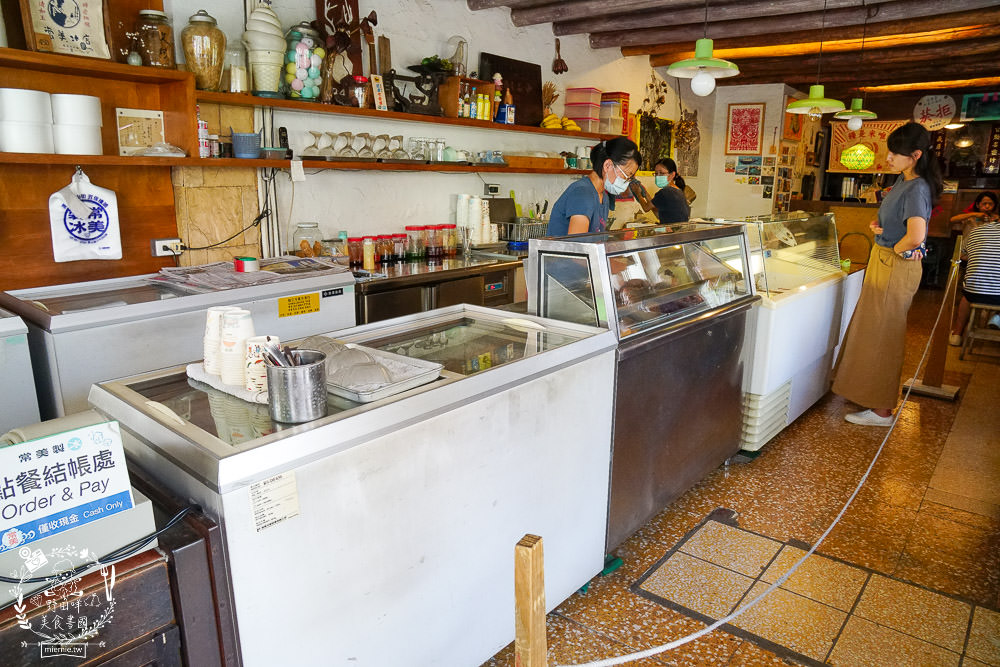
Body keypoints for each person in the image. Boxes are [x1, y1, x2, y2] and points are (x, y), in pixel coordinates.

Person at [831, 121, 942, 426]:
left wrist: (895, 249)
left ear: (916, 155)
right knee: (872, 331)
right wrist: (878, 227)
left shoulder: (917, 186)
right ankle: (867, 393)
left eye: (896, 153)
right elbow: (899, 222)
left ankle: (881, 410)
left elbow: (916, 235)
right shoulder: (903, 181)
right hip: (884, 258)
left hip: (894, 264)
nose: (889, 157)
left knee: (884, 335)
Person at [547, 137, 640, 236]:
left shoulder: (603, 196)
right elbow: (577, 245)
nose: (626, 181)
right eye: (626, 175)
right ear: (607, 165)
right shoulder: (583, 194)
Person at [949, 211, 1000, 343]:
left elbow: (961, 254)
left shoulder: (978, 231)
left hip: (974, 293)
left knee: (967, 296)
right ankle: (997, 317)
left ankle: (957, 334)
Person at [629, 158, 691, 224]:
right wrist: (645, 193)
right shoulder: (678, 191)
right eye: (656, 173)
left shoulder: (665, 192)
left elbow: (646, 208)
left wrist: (638, 194)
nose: (658, 176)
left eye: (661, 173)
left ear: (672, 175)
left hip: (673, 231)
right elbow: (659, 215)